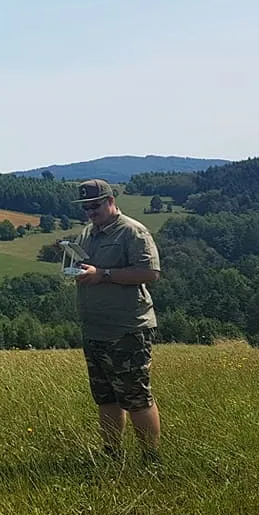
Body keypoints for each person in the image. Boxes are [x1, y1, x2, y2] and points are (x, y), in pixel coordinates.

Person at [69, 179, 163, 464]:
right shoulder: (87, 234)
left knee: (136, 397)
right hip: (96, 328)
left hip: (128, 329)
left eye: (95, 205)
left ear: (111, 201)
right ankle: (112, 455)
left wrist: (104, 274)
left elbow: (149, 273)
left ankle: (151, 459)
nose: (90, 211)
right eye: (86, 207)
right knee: (105, 397)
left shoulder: (132, 232)